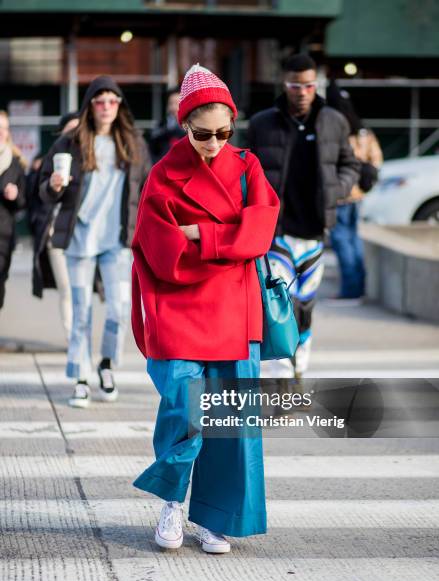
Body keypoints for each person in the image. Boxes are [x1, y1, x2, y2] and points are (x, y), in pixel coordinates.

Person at [131, 64, 279, 553]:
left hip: (234, 310)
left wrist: (201, 234)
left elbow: (260, 231)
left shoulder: (249, 166)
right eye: (202, 133)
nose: (213, 142)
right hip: (179, 304)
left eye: (223, 132)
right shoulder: (163, 173)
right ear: (184, 124)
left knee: (230, 419)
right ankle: (173, 501)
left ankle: (214, 516)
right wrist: (225, 242)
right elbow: (158, 247)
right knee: (182, 406)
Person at [39, 76, 151, 408]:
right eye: (99, 101)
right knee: (81, 311)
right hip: (79, 239)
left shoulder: (133, 143)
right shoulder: (71, 141)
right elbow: (43, 189)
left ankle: (106, 364)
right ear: (90, 106)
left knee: (119, 308)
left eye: (112, 101)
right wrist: (56, 185)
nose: (106, 107)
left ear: (120, 106)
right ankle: (80, 376)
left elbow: (149, 189)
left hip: (117, 240)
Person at [248, 53, 360, 376]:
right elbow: (247, 170)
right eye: (296, 85)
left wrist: (336, 190)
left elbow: (351, 165)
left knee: (305, 308)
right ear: (285, 84)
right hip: (276, 232)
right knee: (279, 307)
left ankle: (300, 368)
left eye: (309, 85)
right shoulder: (262, 123)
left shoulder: (334, 121)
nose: (302, 91)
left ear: (316, 85)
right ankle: (281, 380)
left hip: (314, 232)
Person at [326, 81, 383, 300]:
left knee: (342, 241)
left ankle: (350, 290)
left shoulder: (335, 128)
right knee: (353, 239)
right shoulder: (363, 131)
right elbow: (377, 159)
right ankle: (359, 286)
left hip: (340, 195)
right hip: (359, 194)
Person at [31, 112, 80, 342]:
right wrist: (52, 185)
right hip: (55, 236)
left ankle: (82, 336)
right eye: (70, 130)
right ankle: (73, 338)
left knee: (80, 290)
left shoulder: (88, 161)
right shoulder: (53, 156)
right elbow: (37, 193)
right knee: (67, 289)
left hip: (81, 236)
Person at [0, 110, 27, 312]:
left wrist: (16, 195)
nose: (1, 132)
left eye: (5, 128)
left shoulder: (16, 163)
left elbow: (23, 203)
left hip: (4, 235)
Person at [148, 87, 185, 163]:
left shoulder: (192, 127)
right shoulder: (161, 125)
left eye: (177, 103)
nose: (173, 107)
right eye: (171, 103)